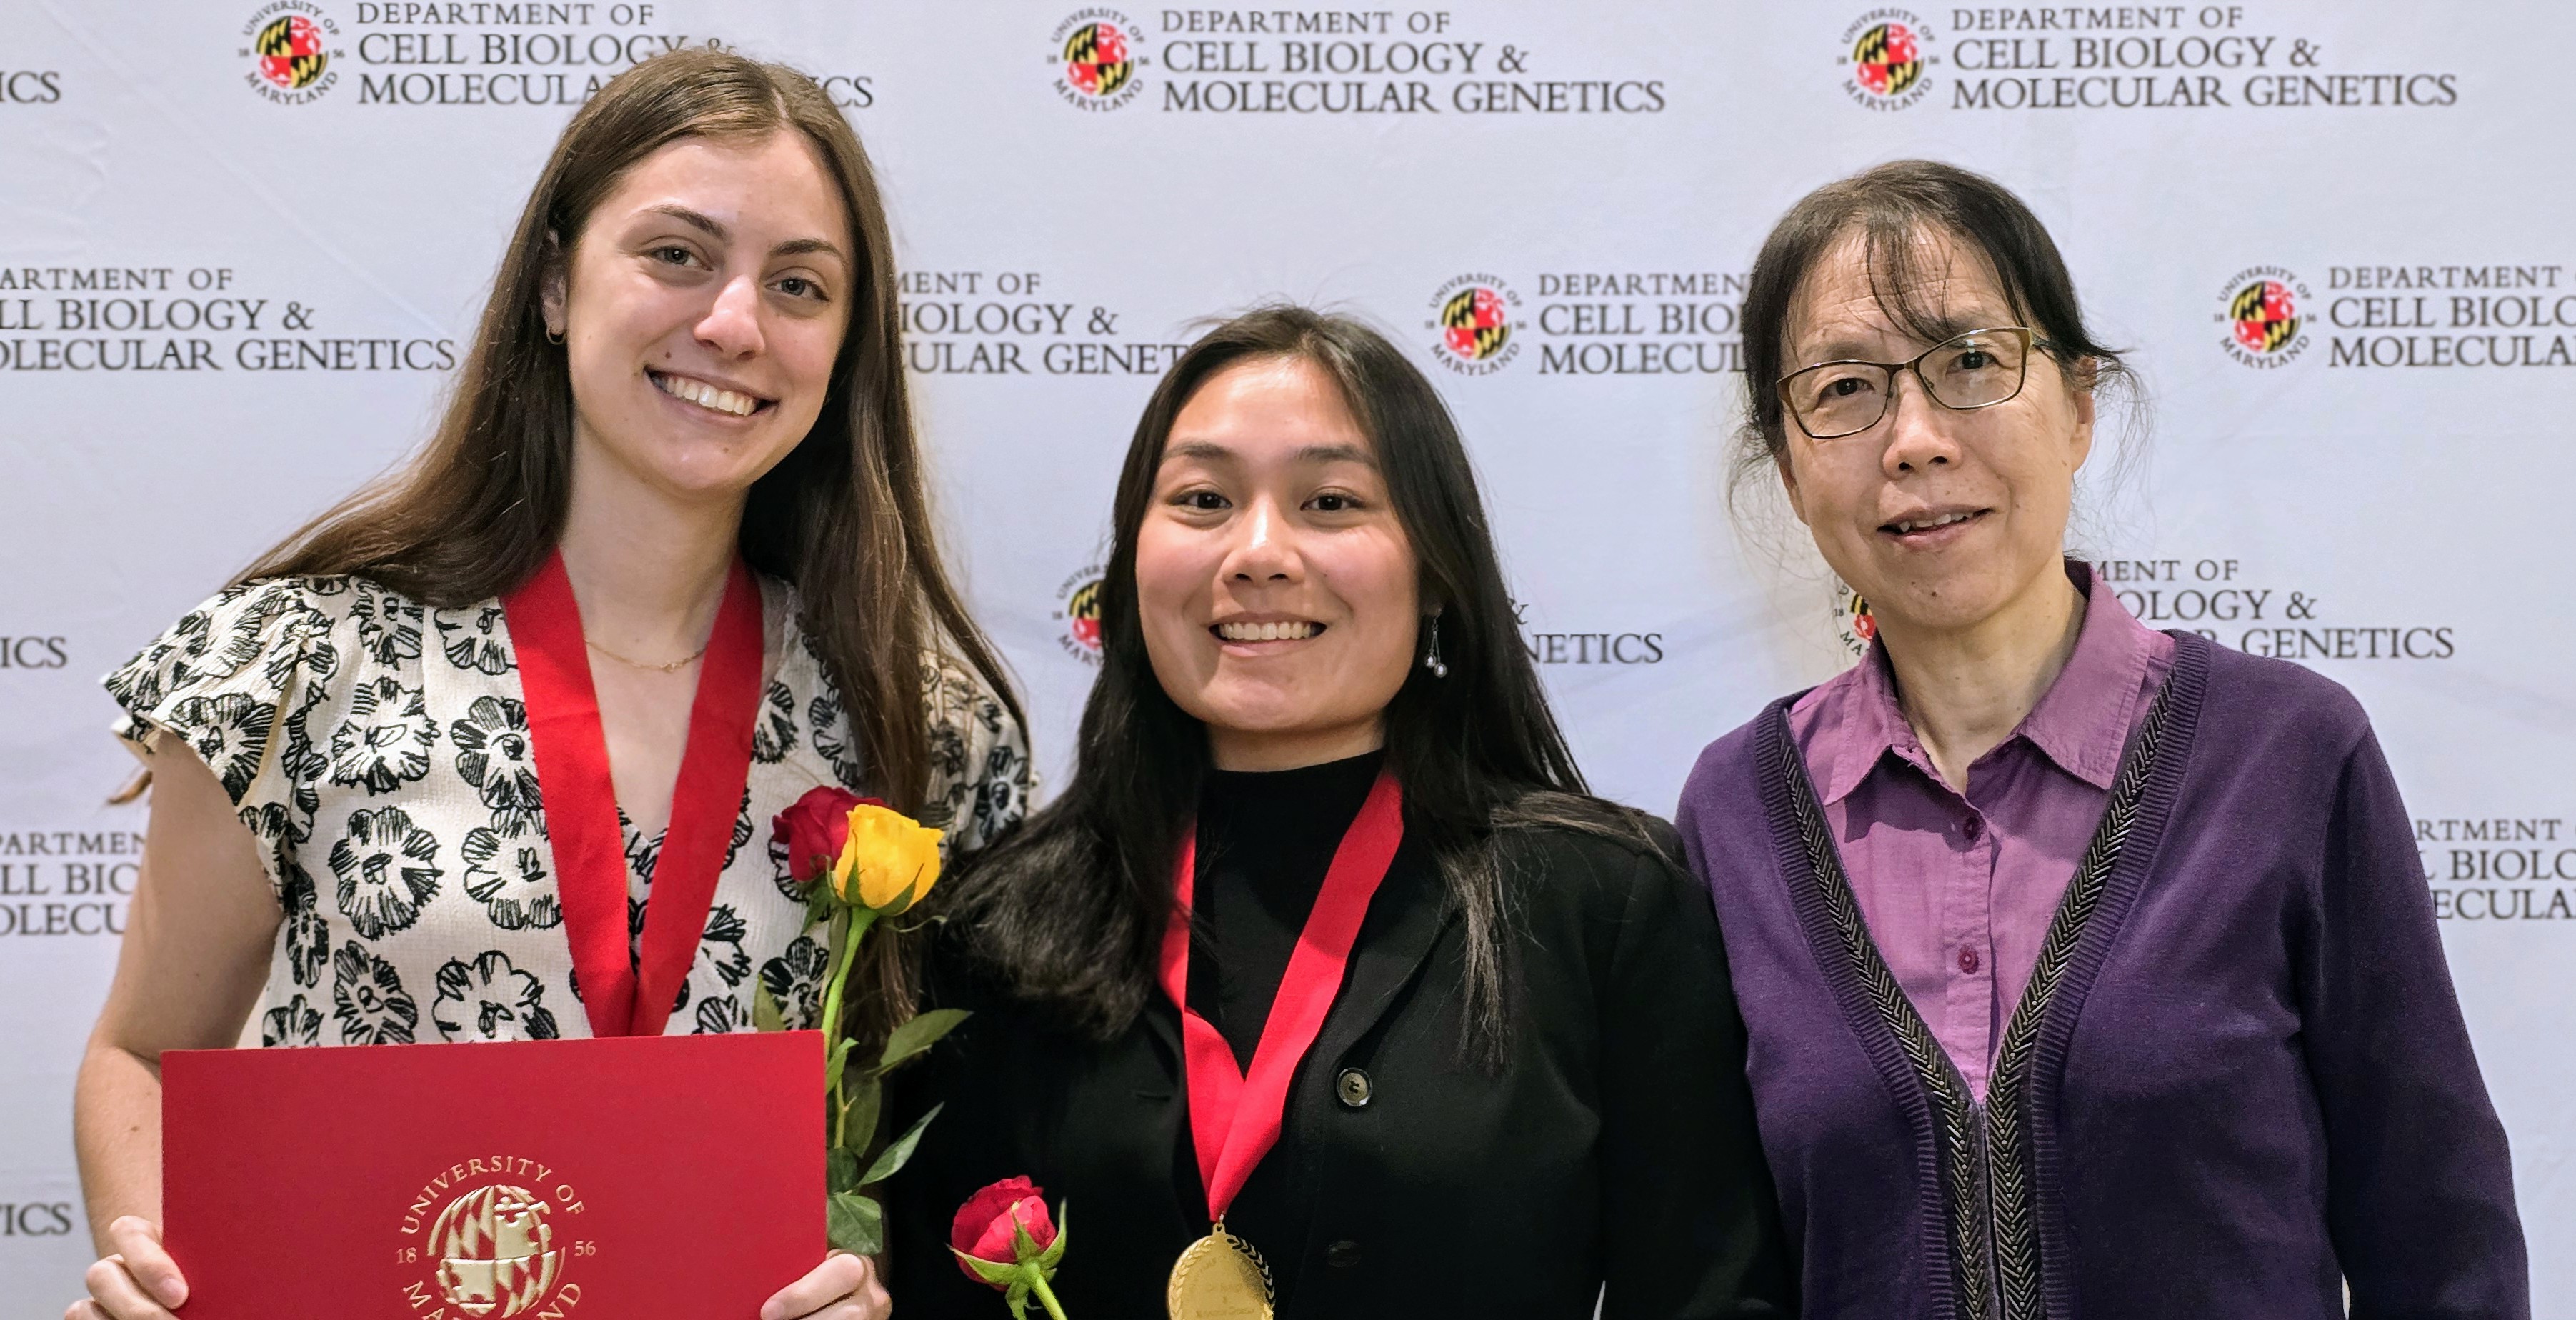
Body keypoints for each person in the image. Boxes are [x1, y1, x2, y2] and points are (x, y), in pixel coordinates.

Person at [67, 49, 1029, 1320]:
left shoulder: (923, 724)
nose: (734, 323)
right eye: (677, 255)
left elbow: (938, 1144)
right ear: (555, 285)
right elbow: (143, 1051)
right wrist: (159, 1276)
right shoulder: (293, 667)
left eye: (798, 284)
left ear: (845, 344)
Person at [1676, 159, 2527, 1319]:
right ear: (1787, 463)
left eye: (1972, 362)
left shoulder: (2285, 756)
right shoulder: (1735, 813)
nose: (1915, 440)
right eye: (1843, 391)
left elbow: (2438, 1249)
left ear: (2077, 405)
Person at [887, 306, 1792, 1319]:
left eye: (1328, 501)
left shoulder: (1602, 902)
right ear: (1130, 566)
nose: (1259, 552)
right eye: (1201, 499)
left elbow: (1710, 1295)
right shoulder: (996, 929)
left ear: (1437, 572)